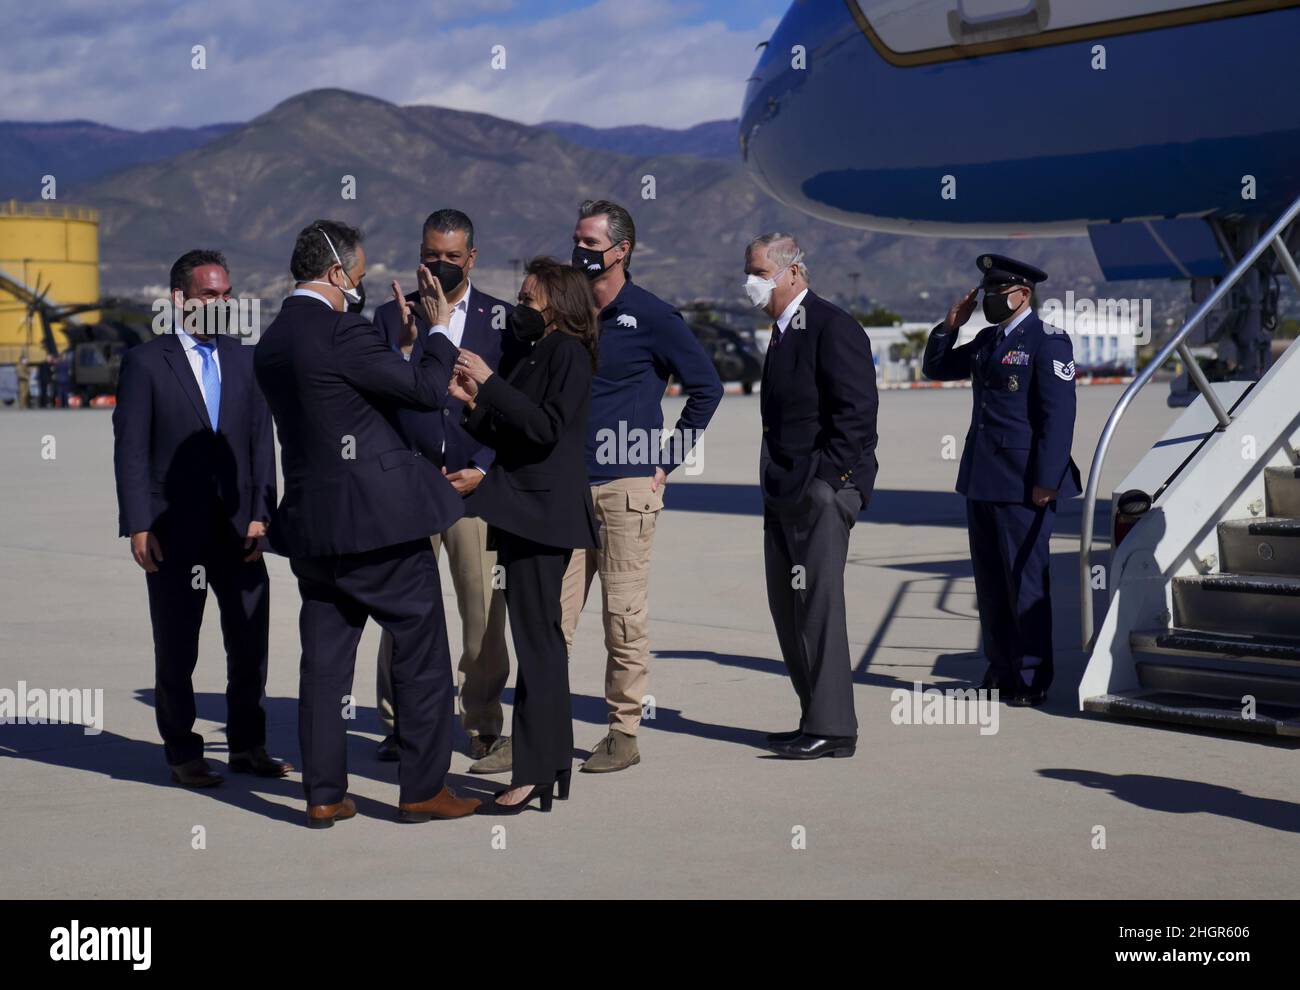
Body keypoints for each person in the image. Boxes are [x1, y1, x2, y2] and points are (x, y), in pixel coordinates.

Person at [253, 220, 479, 827]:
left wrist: (395, 347)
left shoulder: (274, 340)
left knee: (324, 665)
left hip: (314, 528)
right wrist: (432, 329)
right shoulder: (343, 330)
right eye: (357, 275)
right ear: (335, 274)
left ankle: (324, 792)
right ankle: (423, 790)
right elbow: (427, 392)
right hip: (379, 524)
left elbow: (343, 402)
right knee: (422, 652)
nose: (359, 284)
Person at [112, 249, 288, 787]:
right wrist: (139, 523)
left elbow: (262, 443)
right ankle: (183, 752)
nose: (221, 302)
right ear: (180, 300)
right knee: (177, 647)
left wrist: (263, 514)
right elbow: (130, 449)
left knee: (250, 645)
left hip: (239, 532)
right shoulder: (147, 362)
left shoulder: (244, 359)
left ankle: (248, 746)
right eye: (210, 294)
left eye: (226, 293)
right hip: (173, 533)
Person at [560, 199, 722, 774]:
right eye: (575, 240)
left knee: (622, 617)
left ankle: (623, 732)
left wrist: (666, 462)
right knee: (549, 616)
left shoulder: (652, 316)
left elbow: (707, 389)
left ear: (621, 250)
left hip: (627, 487)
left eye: (590, 243)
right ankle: (541, 730)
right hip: (566, 490)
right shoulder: (569, 312)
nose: (578, 251)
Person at [369, 208, 518, 769]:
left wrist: (484, 465)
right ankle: (399, 723)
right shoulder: (390, 318)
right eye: (432, 256)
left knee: (483, 617)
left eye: (452, 258)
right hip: (411, 491)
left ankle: (481, 724)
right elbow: (376, 402)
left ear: (472, 259)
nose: (441, 266)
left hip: (475, 492)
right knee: (402, 613)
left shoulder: (504, 321)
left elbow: (516, 407)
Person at [450, 257, 600, 813]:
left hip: (544, 516)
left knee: (539, 646)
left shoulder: (566, 353)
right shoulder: (536, 352)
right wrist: (473, 402)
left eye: (529, 299)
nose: (520, 307)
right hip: (521, 514)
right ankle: (551, 763)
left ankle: (537, 769)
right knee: (538, 641)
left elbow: (545, 430)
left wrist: (490, 382)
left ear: (558, 305)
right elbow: (513, 430)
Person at [922, 254, 1080, 707]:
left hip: (1025, 482)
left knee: (1025, 583)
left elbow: (1058, 416)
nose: (989, 300)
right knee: (990, 583)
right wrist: (950, 325)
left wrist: (1047, 479)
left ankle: (1031, 677)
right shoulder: (988, 340)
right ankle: (1001, 670)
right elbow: (936, 368)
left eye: (996, 293)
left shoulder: (1048, 342)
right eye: (986, 293)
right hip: (983, 479)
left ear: (1022, 294)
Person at [747, 233, 878, 760]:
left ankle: (835, 728)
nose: (751, 283)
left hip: (819, 492)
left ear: (793, 272)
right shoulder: (782, 332)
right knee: (789, 609)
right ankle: (813, 717)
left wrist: (829, 483)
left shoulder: (831, 325)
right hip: (783, 490)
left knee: (819, 609)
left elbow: (857, 415)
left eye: (759, 272)